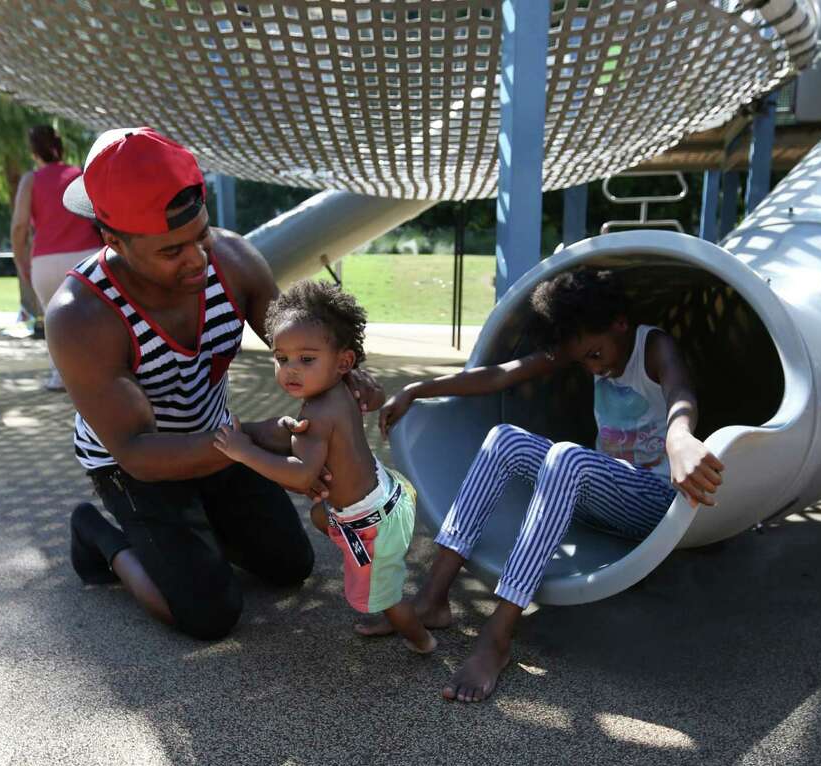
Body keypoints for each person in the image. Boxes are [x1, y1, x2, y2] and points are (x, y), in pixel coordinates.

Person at [46, 127, 384, 641]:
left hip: (217, 440)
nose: (198, 259)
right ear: (114, 241)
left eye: (201, 235)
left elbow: (296, 340)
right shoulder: (82, 317)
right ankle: (100, 535)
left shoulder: (233, 259)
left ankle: (193, 527)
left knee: (290, 566)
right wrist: (255, 441)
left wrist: (346, 374)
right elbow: (137, 452)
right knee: (207, 614)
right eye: (172, 251)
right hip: (136, 465)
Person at [373, 267, 725, 702]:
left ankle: (499, 634)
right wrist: (416, 388)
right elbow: (500, 375)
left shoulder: (653, 346)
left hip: (656, 504)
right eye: (582, 360)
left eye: (595, 354)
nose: (591, 366)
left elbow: (681, 391)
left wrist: (680, 438)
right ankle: (432, 598)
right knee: (503, 439)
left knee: (566, 456)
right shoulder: (586, 341)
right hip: (599, 494)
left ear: (620, 322)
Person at [212, 280, 435, 654]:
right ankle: (385, 599)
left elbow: (301, 475)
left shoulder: (317, 412)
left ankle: (421, 640)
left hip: (374, 523)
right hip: (390, 492)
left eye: (307, 359)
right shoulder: (345, 384)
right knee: (321, 514)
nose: (291, 371)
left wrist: (242, 451)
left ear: (343, 361)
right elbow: (375, 395)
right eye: (282, 359)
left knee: (389, 596)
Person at [11, 125, 104, 390]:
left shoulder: (30, 180)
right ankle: (101, 374)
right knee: (95, 320)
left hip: (45, 261)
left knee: (55, 322)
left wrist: (21, 261)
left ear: (33, 151)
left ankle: (60, 376)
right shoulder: (79, 175)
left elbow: (19, 226)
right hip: (86, 257)